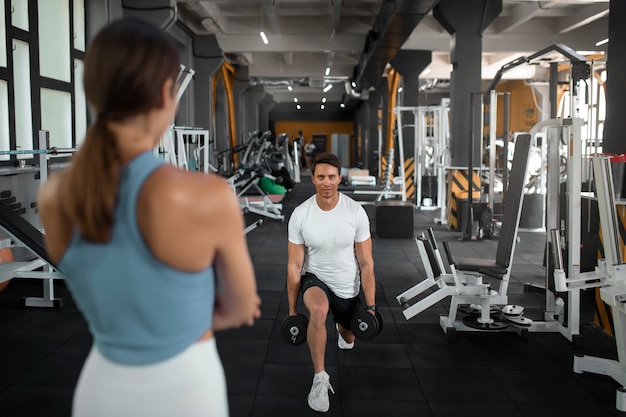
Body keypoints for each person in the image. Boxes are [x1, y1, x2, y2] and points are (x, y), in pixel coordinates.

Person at [37, 18, 260, 417]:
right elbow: (242, 308)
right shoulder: (207, 195)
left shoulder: (54, 195)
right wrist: (184, 309)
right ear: (165, 94)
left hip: (101, 390)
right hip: (186, 388)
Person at [286, 152, 377, 413]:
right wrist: (292, 312)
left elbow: (367, 263)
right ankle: (320, 379)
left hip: (347, 286)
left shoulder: (355, 212)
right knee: (317, 310)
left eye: (332, 177)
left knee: (348, 337)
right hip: (315, 279)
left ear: (340, 178)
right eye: (321, 177)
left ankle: (342, 328)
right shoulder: (301, 215)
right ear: (313, 178)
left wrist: (370, 308)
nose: (327, 182)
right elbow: (294, 265)